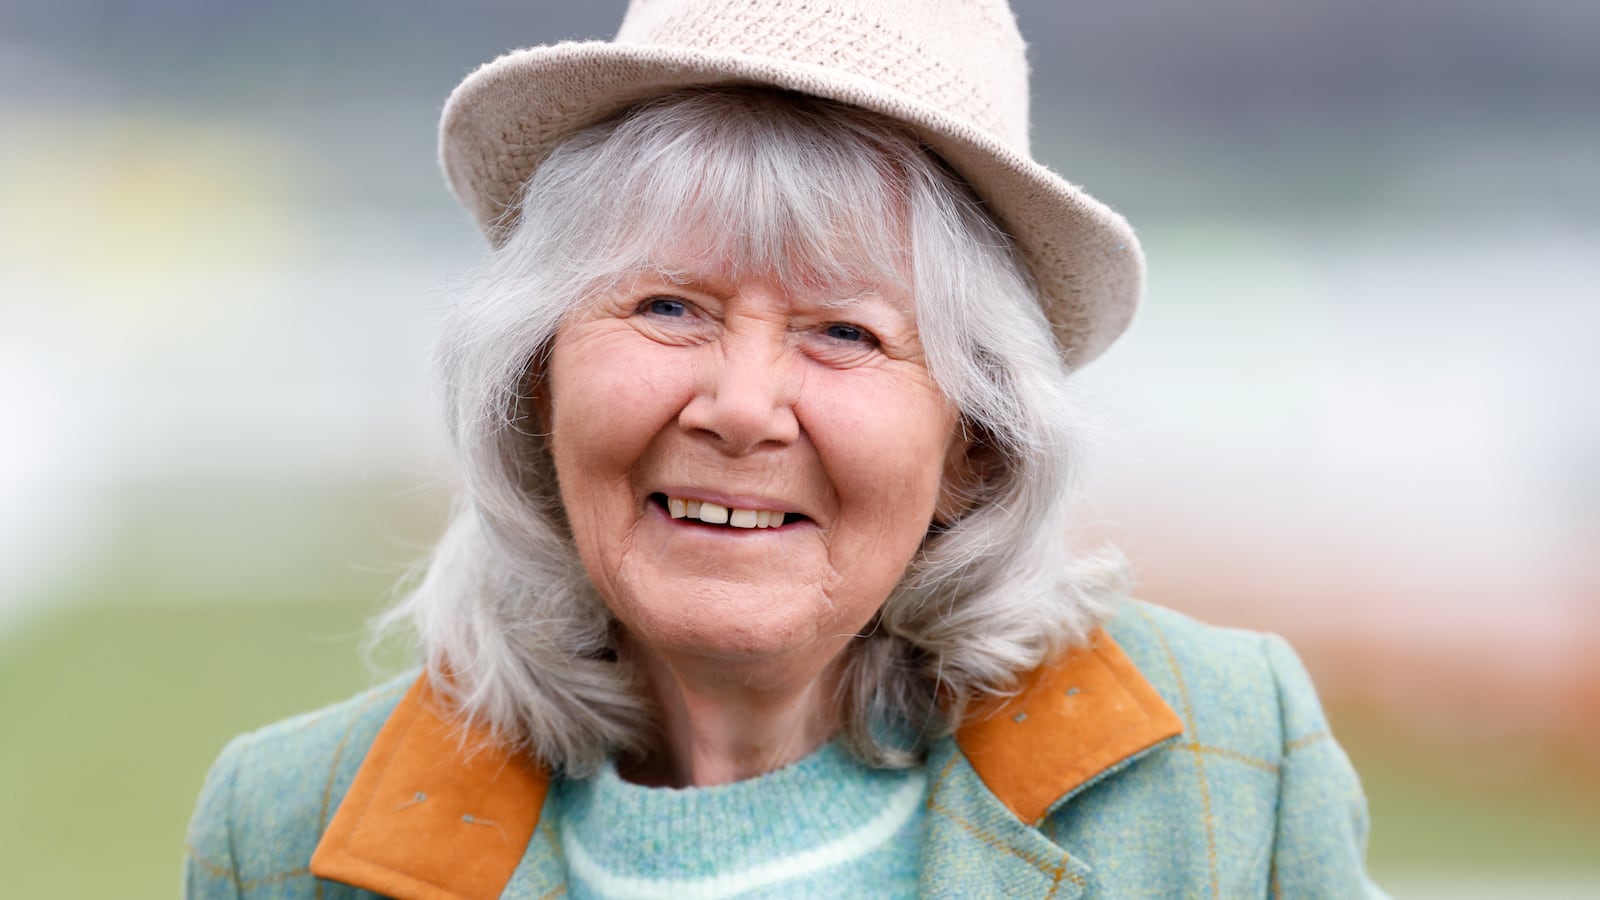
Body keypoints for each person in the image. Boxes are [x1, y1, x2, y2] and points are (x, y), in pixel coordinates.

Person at [186, 1, 1385, 896]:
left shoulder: (1228, 771)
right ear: (537, 374)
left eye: (843, 331)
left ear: (973, 443)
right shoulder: (285, 833)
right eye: (667, 307)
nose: (741, 407)